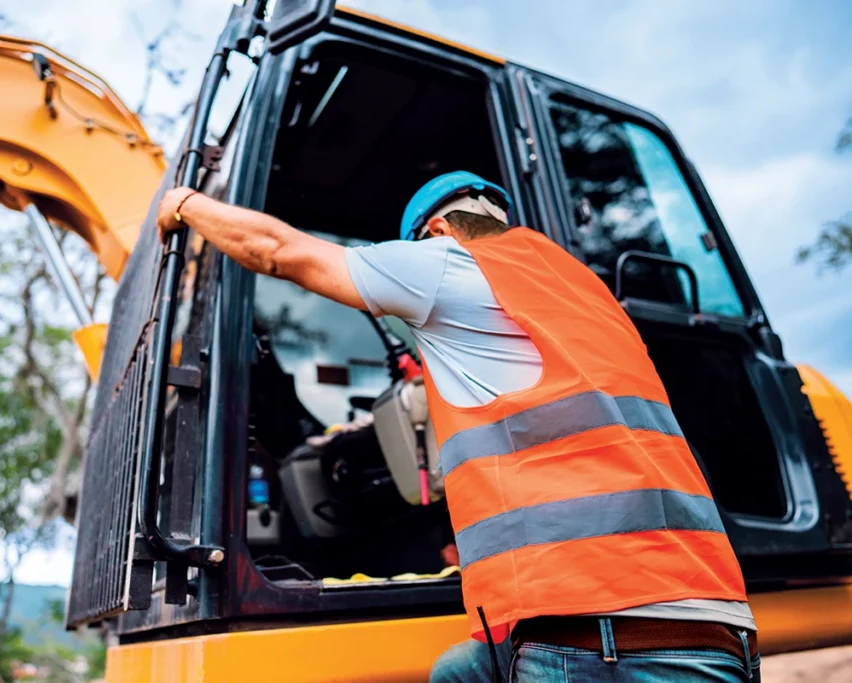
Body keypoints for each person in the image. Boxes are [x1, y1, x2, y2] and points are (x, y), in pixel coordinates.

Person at [157, 171, 759, 682]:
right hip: (711, 618)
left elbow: (279, 252)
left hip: (602, 636)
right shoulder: (580, 290)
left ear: (437, 234)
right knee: (455, 672)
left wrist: (187, 203)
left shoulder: (450, 264)